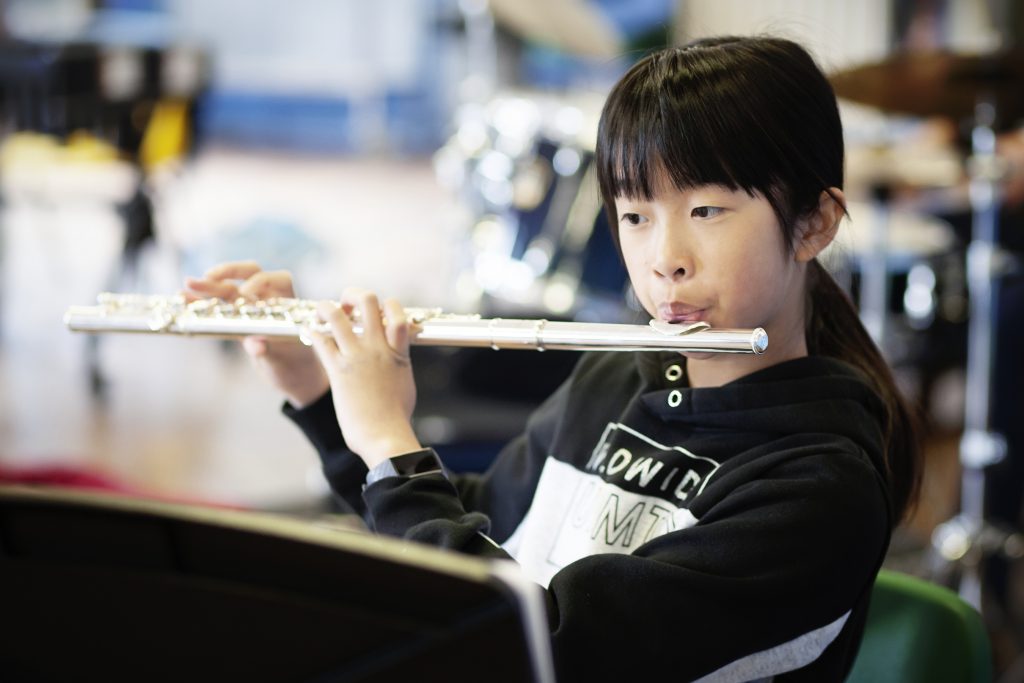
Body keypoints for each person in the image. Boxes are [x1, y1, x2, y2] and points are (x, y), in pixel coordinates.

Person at [185, 36, 922, 682]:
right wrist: (321, 394)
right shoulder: (616, 379)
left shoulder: (820, 489)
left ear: (814, 222)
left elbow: (545, 649)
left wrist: (391, 447)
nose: (664, 259)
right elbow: (479, 530)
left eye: (707, 211)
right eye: (635, 215)